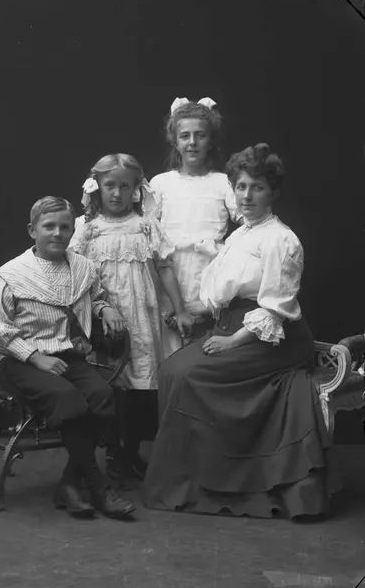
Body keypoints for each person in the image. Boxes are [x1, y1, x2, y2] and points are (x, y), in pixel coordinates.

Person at [142, 144, 335, 520]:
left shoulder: (281, 239)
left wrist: (232, 341)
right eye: (241, 187)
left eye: (257, 187)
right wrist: (191, 310)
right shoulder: (241, 234)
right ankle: (189, 479)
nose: (247, 196)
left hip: (273, 339)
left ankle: (223, 479)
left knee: (190, 375)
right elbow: (230, 292)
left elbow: (274, 308)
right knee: (170, 370)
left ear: (272, 192)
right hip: (234, 325)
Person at [0, 196, 136, 520]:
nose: (57, 233)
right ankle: (98, 486)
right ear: (32, 230)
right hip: (21, 360)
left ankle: (69, 483)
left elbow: (92, 297)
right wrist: (34, 357)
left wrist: (104, 308)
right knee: (68, 398)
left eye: (65, 227)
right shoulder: (10, 274)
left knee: (102, 395)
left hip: (66, 354)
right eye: (48, 226)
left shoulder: (81, 267)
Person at [70, 153, 193, 479]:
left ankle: (130, 451)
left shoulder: (145, 225)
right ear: (97, 187)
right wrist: (96, 311)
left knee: (140, 387)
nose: (117, 193)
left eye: (125, 186)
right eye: (110, 185)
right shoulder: (87, 229)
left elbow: (164, 267)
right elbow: (75, 276)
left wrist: (180, 309)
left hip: (141, 316)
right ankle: (112, 452)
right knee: (111, 385)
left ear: (136, 189)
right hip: (103, 317)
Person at [150, 97, 243, 358]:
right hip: (169, 274)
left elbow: (248, 223)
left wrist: (225, 254)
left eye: (200, 135)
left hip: (208, 274)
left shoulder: (223, 183)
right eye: (185, 136)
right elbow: (146, 231)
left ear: (210, 141)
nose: (192, 142)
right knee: (167, 350)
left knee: (203, 351)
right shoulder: (160, 184)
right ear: (175, 141)